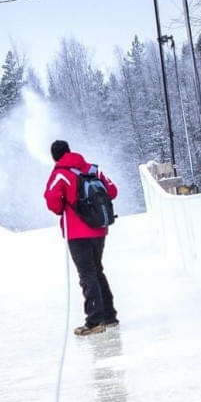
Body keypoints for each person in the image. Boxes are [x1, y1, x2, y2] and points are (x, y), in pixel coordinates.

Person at [43, 140, 119, 336]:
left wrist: (63, 207)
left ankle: (94, 321)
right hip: (99, 229)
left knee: (87, 274)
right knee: (97, 270)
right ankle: (109, 316)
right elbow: (112, 191)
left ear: (54, 156)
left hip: (77, 232)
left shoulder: (60, 172)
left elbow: (51, 199)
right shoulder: (93, 170)